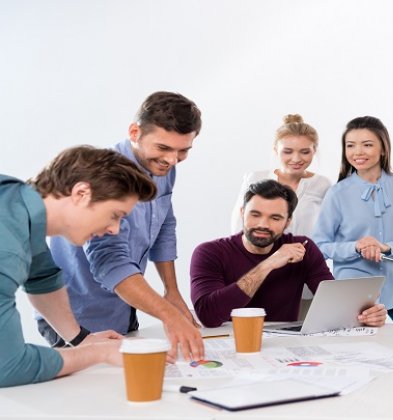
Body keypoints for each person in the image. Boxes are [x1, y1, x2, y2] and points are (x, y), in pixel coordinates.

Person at [38, 92, 205, 361]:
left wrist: (171, 291)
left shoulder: (165, 168)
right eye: (163, 148)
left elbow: (164, 225)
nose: (172, 160)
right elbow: (110, 262)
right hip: (77, 313)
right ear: (135, 132)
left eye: (183, 150)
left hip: (126, 307)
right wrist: (168, 313)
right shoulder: (104, 178)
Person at [1, 146, 157, 387]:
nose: (114, 229)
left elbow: (42, 280)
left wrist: (81, 339)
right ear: (81, 193)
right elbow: (8, 365)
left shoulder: (17, 203)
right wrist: (98, 353)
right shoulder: (7, 243)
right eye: (115, 215)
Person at [191, 179, 386, 327]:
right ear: (242, 213)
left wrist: (367, 314)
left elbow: (334, 301)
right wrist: (268, 264)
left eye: (275, 218)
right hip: (229, 342)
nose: (263, 224)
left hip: (285, 346)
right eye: (255, 214)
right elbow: (208, 316)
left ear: (288, 221)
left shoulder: (303, 247)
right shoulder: (209, 253)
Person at [312, 116, 393, 323]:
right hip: (354, 292)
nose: (358, 152)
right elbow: (319, 246)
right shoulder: (337, 193)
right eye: (351, 145)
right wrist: (356, 247)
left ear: (383, 148)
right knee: (360, 352)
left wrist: (386, 247)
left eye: (367, 145)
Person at [229, 114, 332, 318]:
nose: (296, 159)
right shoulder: (256, 178)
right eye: (288, 151)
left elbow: (327, 233)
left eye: (305, 152)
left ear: (314, 151)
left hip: (303, 276)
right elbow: (238, 227)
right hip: (259, 270)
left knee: (302, 337)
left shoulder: (323, 185)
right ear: (276, 150)